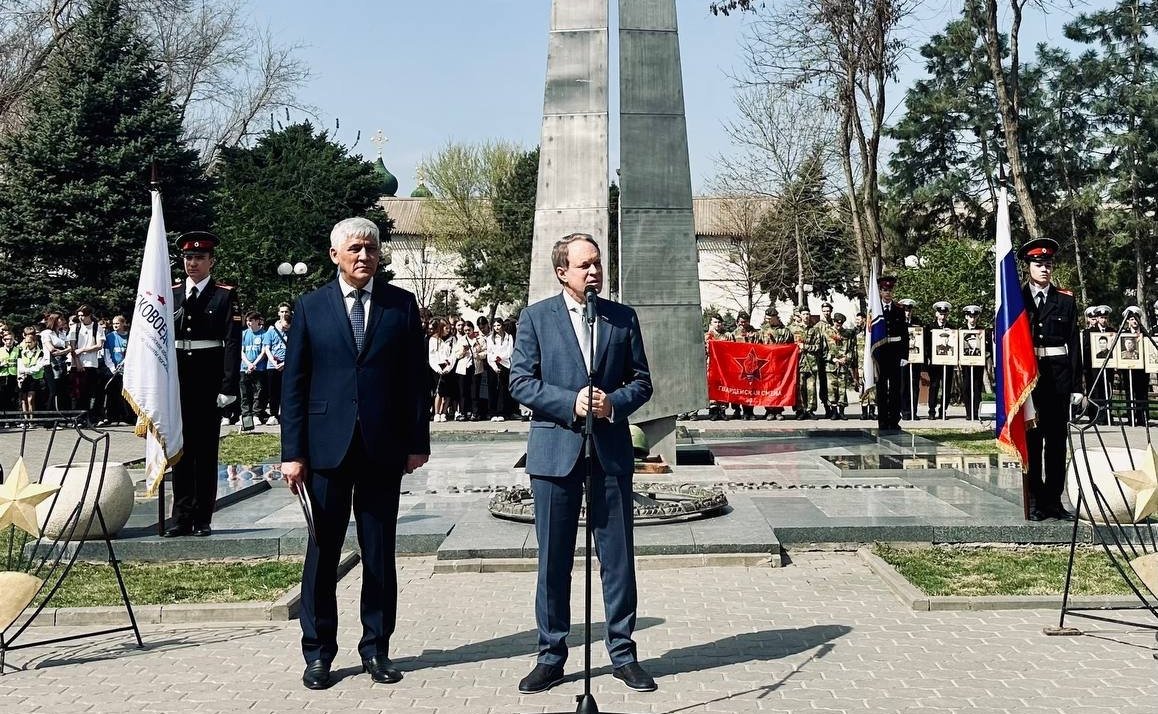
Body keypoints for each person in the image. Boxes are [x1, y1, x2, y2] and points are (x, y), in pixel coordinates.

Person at [280, 217, 430, 691]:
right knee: (323, 553)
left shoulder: (401, 306)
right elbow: (295, 385)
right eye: (354, 249)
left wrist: (417, 443)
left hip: (383, 448)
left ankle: (376, 649)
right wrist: (293, 452)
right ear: (335, 256)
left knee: (379, 553)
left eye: (370, 248)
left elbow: (415, 381)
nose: (363, 255)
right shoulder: (310, 306)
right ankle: (319, 652)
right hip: (325, 450)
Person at [508, 232, 655, 695]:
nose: (594, 273)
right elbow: (520, 382)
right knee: (553, 561)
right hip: (555, 454)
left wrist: (612, 403)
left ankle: (623, 653)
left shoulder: (620, 318)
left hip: (608, 452)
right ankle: (551, 655)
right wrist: (569, 401)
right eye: (584, 265)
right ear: (562, 272)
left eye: (597, 264)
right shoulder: (535, 319)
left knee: (618, 558)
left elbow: (642, 382)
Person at [165, 231, 241, 538]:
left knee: (205, 451)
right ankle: (180, 516)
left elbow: (232, 343)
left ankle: (201, 517)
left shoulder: (223, 295)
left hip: (208, 381)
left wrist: (228, 386)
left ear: (211, 261)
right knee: (180, 450)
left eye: (199, 258)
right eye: (188, 258)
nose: (192, 263)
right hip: (177, 381)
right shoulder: (171, 293)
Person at [1018, 237, 1080, 521]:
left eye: (1048, 264)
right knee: (1033, 442)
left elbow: (1074, 345)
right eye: (1038, 264)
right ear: (1028, 267)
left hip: (1058, 379)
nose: (1044, 269)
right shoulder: (1017, 300)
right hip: (1029, 381)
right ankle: (1036, 499)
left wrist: (1077, 387)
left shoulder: (1065, 300)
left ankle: (1054, 501)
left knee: (1056, 442)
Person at [876, 275, 909, 431]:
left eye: (889, 290)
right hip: (881, 355)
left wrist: (904, 356)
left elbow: (904, 335)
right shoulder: (876, 310)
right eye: (884, 290)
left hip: (895, 354)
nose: (887, 293)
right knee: (881, 389)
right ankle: (882, 420)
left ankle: (894, 420)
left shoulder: (899, 310)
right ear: (880, 291)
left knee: (896, 388)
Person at [759, 311, 793, 420]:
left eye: (770, 318)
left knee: (780, 387)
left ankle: (778, 410)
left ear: (776, 317)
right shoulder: (763, 330)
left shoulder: (785, 331)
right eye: (766, 318)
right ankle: (769, 410)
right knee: (768, 387)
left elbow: (791, 347)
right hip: (766, 364)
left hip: (781, 364)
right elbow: (758, 346)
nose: (767, 320)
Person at [239, 311, 269, 430]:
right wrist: (248, 364)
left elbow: (263, 351)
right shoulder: (244, 334)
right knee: (245, 393)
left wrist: (254, 364)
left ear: (257, 321)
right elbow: (241, 351)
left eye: (251, 321)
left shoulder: (264, 334)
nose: (249, 323)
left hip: (259, 368)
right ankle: (246, 416)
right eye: (247, 321)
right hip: (244, 368)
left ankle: (257, 414)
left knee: (259, 392)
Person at [727, 312, 759, 419]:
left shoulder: (755, 333)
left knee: (750, 390)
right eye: (741, 322)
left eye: (745, 322)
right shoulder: (733, 334)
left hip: (751, 367)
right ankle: (736, 410)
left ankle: (749, 411)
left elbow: (761, 348)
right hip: (738, 366)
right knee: (737, 389)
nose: (743, 324)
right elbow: (730, 350)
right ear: (737, 322)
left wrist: (751, 339)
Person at [99, 315, 130, 426]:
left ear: (123, 323)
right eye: (114, 323)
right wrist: (112, 368)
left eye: (117, 323)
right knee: (112, 394)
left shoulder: (130, 337)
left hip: (126, 370)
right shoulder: (110, 336)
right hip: (114, 370)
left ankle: (126, 417)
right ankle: (111, 417)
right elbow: (107, 355)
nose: (115, 326)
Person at [960, 305, 989, 421]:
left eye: (975, 316)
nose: (973, 319)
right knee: (967, 387)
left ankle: (976, 412)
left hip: (978, 363)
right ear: (966, 317)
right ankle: (968, 412)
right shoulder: (961, 331)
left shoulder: (981, 331)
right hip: (966, 364)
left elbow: (986, 348)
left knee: (977, 388)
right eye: (970, 316)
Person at [264, 303, 292, 425]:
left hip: (289, 365)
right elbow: (266, 348)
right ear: (278, 313)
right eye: (282, 311)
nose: (284, 314)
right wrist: (273, 362)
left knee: (288, 391)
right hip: (273, 365)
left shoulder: (294, 329)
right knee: (273, 392)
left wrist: (286, 363)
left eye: (286, 311)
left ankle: (287, 414)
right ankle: (273, 414)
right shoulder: (271, 330)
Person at [824, 312, 854, 419]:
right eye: (837, 323)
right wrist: (833, 358)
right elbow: (823, 350)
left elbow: (851, 349)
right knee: (831, 389)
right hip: (831, 366)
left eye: (841, 324)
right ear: (833, 321)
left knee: (842, 389)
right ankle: (834, 412)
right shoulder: (827, 333)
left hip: (843, 366)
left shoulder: (847, 334)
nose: (839, 325)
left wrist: (846, 358)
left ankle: (841, 411)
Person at [16, 327, 47, 425]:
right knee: (24, 399)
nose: (27, 344)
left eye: (29, 342)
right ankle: (26, 419)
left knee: (30, 399)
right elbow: (20, 367)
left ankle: (32, 419)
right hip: (23, 378)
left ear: (34, 342)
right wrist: (21, 375)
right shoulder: (22, 351)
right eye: (26, 342)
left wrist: (27, 370)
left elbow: (38, 368)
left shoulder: (40, 352)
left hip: (35, 378)